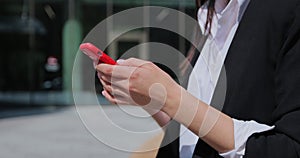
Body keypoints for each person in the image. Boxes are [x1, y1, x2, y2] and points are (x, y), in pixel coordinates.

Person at [96, 0, 300, 157]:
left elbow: (290, 148)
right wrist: (153, 100)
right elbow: (194, 135)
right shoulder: (212, 15)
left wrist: (171, 97)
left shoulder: (286, 12)